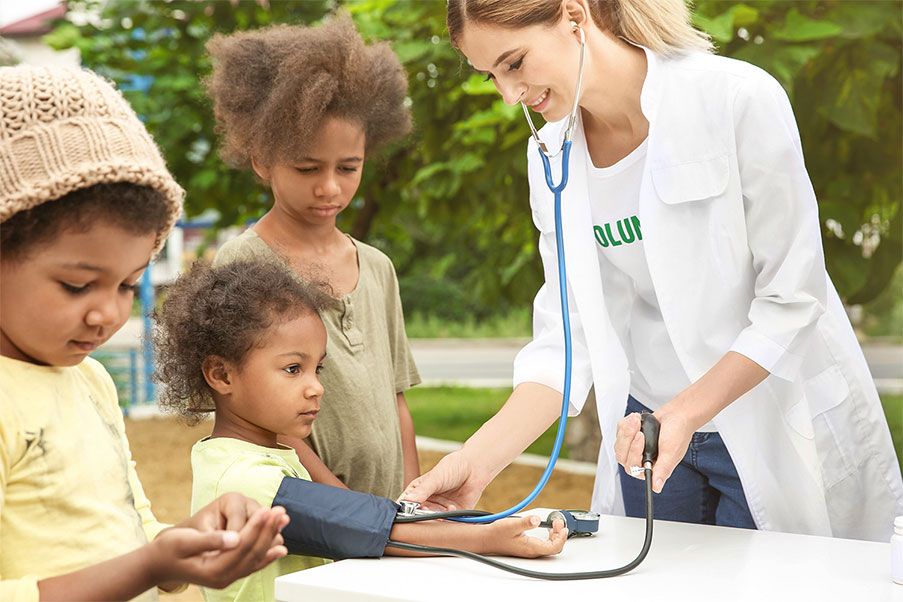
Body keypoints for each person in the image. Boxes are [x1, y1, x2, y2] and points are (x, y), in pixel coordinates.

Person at [400, 0, 903, 541]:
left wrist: (685, 412)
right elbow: (566, 342)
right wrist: (475, 463)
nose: (508, 93)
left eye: (515, 63)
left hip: (767, 418)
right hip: (649, 433)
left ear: (574, 15)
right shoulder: (551, 155)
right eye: (491, 76)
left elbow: (793, 300)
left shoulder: (736, 98)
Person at [0, 65, 289, 601]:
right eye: (76, 285)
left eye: (128, 285)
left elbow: (131, 535)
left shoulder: (90, 381)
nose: (106, 314)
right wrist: (146, 565)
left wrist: (189, 544)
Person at [152, 259, 568, 602]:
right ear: (221, 374)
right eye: (293, 369)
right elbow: (360, 526)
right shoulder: (243, 480)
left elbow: (351, 514)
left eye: (319, 368)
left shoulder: (253, 453)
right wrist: (489, 538)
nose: (316, 386)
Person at [205, 15, 421, 500]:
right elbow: (258, 412)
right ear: (262, 159)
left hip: (385, 517)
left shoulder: (378, 268)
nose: (330, 187)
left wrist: (411, 502)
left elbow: (396, 400)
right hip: (314, 514)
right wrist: (344, 506)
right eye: (307, 168)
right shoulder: (244, 262)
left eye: (348, 167)